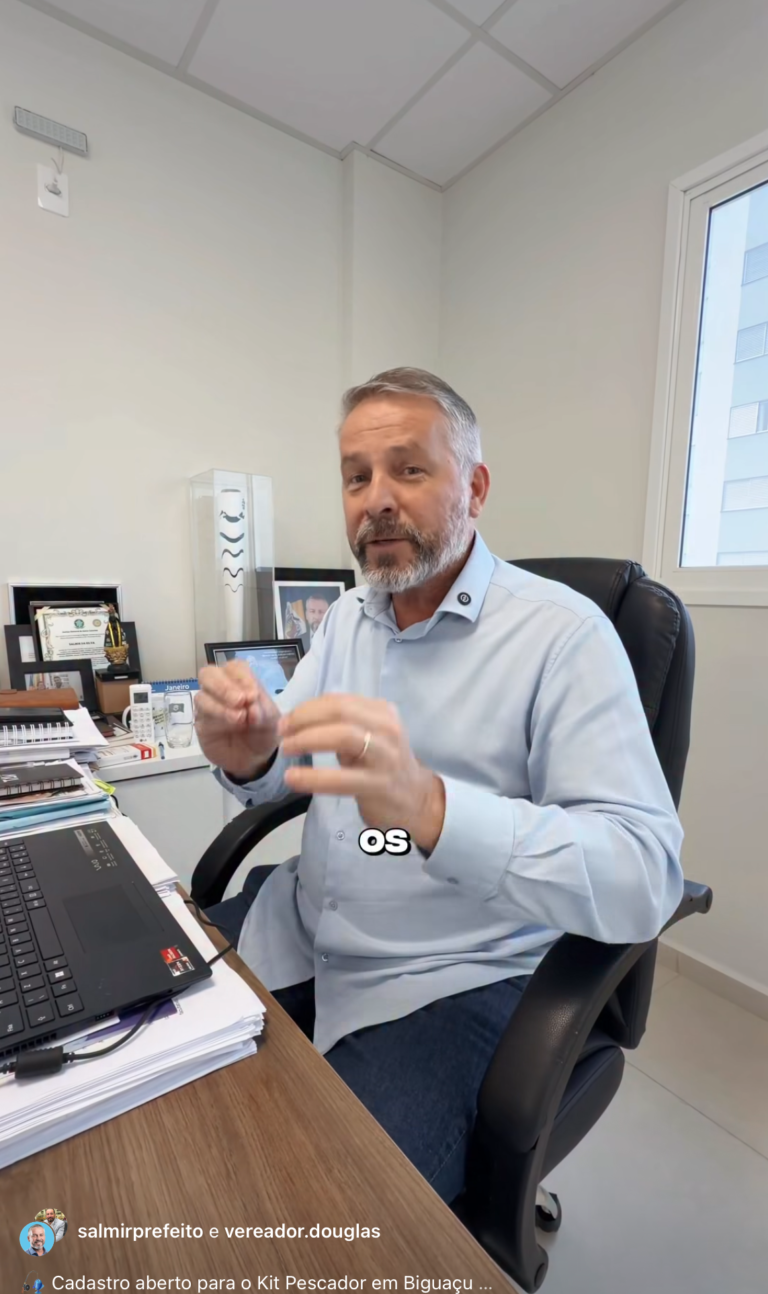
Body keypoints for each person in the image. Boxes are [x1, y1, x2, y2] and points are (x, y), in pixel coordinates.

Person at [195, 366, 684, 1205]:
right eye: (356, 477)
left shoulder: (564, 638)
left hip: (452, 977)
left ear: (476, 488)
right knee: (134, 1051)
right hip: (303, 925)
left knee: (319, 1217)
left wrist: (434, 809)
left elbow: (645, 874)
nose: (377, 500)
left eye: (409, 470)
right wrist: (251, 753)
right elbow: (285, 764)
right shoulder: (347, 620)